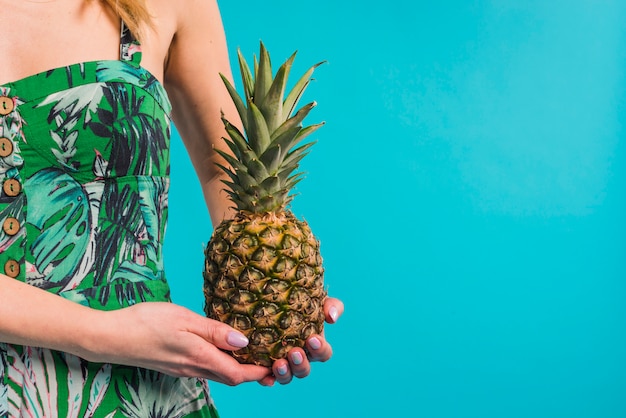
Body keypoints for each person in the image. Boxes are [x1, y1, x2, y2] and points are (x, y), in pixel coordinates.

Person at [0, 0, 344, 416]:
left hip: (141, 392)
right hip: (132, 356)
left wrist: (273, 294)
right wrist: (105, 333)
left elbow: (227, 173)